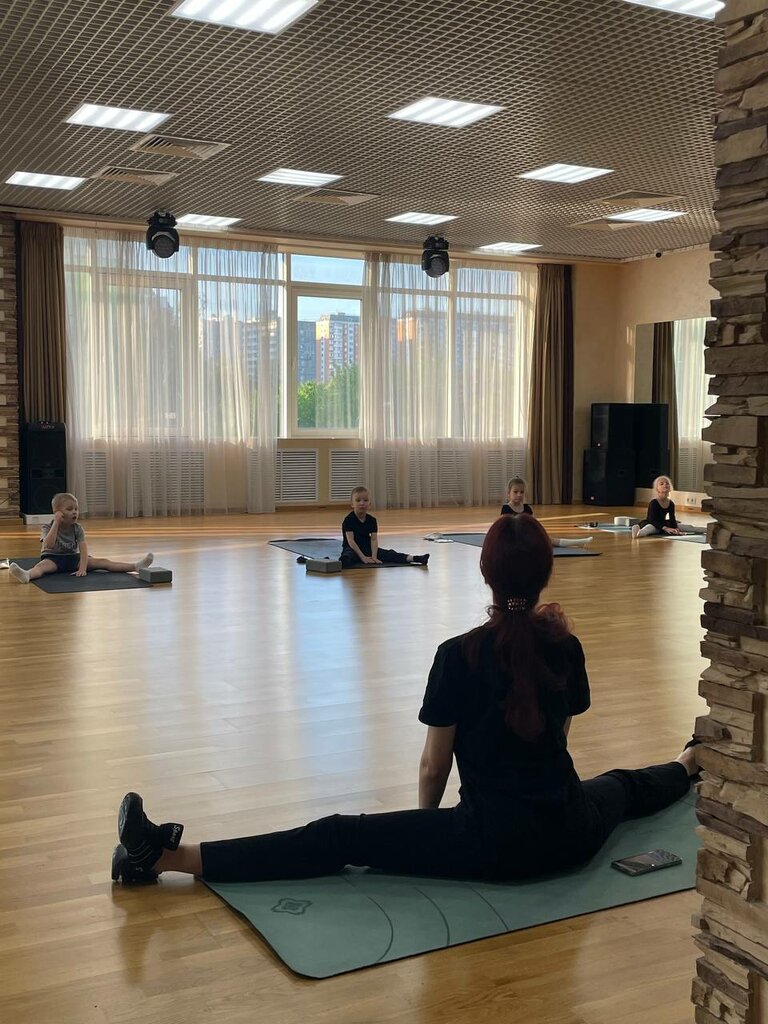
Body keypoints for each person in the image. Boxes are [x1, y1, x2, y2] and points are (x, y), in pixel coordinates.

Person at [111, 513, 697, 887]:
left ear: (485, 572)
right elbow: (557, 742)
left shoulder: (458, 654)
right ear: (546, 572)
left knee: (340, 836)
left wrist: (427, 829)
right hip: (568, 832)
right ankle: (691, 763)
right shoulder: (565, 646)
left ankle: (166, 857)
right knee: (623, 786)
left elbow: (434, 767)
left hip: (492, 844)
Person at [9, 492, 154, 583]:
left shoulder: (77, 528)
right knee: (41, 567)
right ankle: (27, 575)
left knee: (103, 562)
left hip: (74, 558)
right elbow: (49, 545)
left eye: (76, 509)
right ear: (58, 512)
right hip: (53, 558)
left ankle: (135, 566)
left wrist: (83, 568)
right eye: (69, 509)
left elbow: (83, 549)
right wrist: (56, 523)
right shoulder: (47, 527)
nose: (74, 512)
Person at [339, 486, 429, 567]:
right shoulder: (349, 520)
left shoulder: (372, 520)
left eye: (365, 500)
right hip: (352, 549)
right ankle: (346, 561)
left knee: (389, 554)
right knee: (347, 557)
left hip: (367, 548)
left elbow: (373, 540)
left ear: (369, 504)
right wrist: (363, 557)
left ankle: (416, 558)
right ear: (352, 504)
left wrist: (374, 556)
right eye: (358, 500)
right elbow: (351, 541)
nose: (362, 503)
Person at [501, 476, 592, 547]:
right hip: (514, 539)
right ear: (509, 493)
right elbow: (503, 528)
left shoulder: (527, 508)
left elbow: (534, 524)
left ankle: (578, 542)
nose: (519, 495)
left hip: (527, 536)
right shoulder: (506, 508)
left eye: (522, 492)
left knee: (549, 539)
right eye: (515, 492)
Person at [631, 476, 708, 540]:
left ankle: (708, 530)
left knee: (689, 527)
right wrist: (665, 528)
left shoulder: (671, 503)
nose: (665, 485)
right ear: (657, 489)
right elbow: (652, 520)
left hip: (664, 523)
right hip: (653, 523)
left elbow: (672, 519)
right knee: (649, 529)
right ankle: (637, 531)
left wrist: (676, 529)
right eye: (661, 484)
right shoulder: (654, 503)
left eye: (667, 483)